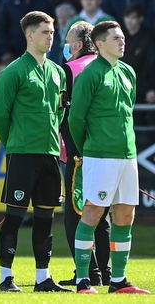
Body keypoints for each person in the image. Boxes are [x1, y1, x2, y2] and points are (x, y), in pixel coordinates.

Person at [68, 21, 151, 294]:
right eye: (116, 38)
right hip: (99, 155)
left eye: (123, 37)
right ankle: (83, 280)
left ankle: (118, 281)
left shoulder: (128, 72)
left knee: (126, 214)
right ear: (100, 43)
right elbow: (76, 119)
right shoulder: (90, 74)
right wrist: (88, 149)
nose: (122, 41)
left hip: (127, 156)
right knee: (93, 212)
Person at [0, 11, 69, 292]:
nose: (51, 37)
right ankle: (5, 278)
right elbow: (0, 115)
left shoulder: (58, 72)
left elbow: (59, 114)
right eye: (45, 32)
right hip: (22, 153)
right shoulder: (13, 71)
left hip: (49, 154)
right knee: (14, 217)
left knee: (45, 219)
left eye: (52, 32)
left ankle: (42, 278)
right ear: (30, 35)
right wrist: (15, 142)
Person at [58, 21, 111, 288]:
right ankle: (106, 272)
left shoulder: (69, 70)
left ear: (78, 45)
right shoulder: (106, 66)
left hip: (77, 152)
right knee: (103, 212)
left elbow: (65, 114)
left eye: (67, 40)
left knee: (75, 213)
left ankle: (87, 273)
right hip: (106, 151)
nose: (64, 45)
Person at [0, 0, 56, 66]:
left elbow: (53, 26)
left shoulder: (44, 2)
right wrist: (5, 51)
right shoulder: (8, 3)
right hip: (14, 52)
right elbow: (1, 29)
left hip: (39, 51)